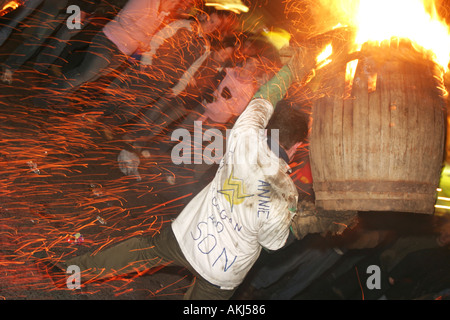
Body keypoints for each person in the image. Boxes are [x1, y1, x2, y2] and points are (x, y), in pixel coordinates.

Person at [37, 44, 323, 299]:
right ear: (297, 145)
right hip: (221, 272)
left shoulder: (244, 134)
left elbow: (264, 96)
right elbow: (274, 243)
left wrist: (292, 70)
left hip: (188, 236)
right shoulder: (286, 193)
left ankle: (72, 270)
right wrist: (306, 224)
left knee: (143, 249)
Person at [38, 0, 186, 96]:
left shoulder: (165, 16)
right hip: (109, 41)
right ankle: (47, 95)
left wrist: (146, 43)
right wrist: (143, 39)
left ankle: (61, 95)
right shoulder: (145, 2)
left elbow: (149, 35)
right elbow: (125, 19)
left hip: (123, 51)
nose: (176, 5)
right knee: (86, 73)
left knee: (92, 77)